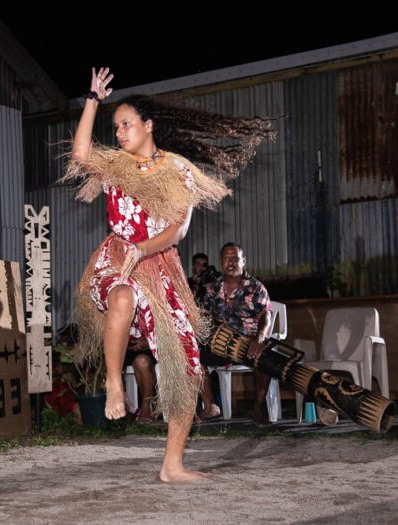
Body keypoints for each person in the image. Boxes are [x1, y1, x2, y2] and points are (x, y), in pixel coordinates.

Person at [60, 66, 276, 482]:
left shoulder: (177, 169)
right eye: (116, 125)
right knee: (122, 297)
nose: (120, 132)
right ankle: (113, 384)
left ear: (148, 125)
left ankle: (172, 465)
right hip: (118, 259)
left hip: (161, 268)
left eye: (127, 124)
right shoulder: (116, 165)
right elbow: (81, 156)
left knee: (187, 364)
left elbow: (179, 227)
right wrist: (92, 99)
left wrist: (146, 247)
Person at [199, 242, 274, 426]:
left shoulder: (255, 287)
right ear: (221, 262)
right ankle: (210, 406)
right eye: (226, 258)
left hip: (248, 344)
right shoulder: (212, 289)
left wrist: (260, 336)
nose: (231, 262)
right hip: (219, 345)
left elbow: (266, 314)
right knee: (190, 353)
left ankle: (259, 405)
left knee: (264, 356)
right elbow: (204, 318)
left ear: (244, 261)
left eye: (235, 258)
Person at [124, 338, 158, 422]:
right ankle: (127, 406)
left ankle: (146, 405)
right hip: (123, 346)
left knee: (142, 361)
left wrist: (149, 341)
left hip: (149, 346)